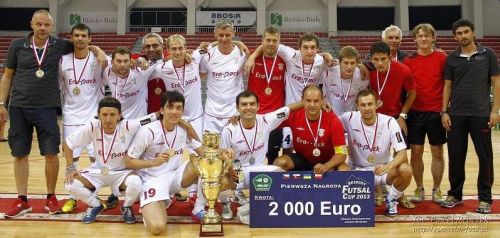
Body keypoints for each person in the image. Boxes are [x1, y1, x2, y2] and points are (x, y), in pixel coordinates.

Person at [0, 10, 106, 218]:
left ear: (52, 26)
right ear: (32, 24)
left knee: (51, 154)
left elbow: (83, 44)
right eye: (39, 24)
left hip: (47, 107)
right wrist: (2, 103)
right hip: (19, 107)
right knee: (20, 153)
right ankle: (22, 200)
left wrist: (98, 49)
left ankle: (51, 197)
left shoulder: (60, 45)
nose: (42, 28)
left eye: (46, 25)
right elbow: (7, 76)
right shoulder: (17, 46)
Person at [125, 91, 232, 235]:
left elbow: (203, 151)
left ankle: (198, 208)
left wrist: (223, 152)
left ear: (182, 111)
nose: (174, 111)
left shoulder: (182, 129)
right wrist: (153, 162)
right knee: (157, 229)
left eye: (178, 108)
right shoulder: (148, 131)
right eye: (170, 107)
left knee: (204, 161)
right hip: (152, 180)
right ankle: (156, 204)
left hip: (176, 177)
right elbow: (129, 162)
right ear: (162, 110)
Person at [63, 97, 159, 224]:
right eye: (104, 114)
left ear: (119, 115)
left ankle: (126, 206)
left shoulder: (129, 126)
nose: (108, 119)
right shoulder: (92, 126)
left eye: (112, 114)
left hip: (122, 173)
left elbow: (156, 116)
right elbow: (68, 143)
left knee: (136, 183)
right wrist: (71, 167)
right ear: (98, 115)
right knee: (70, 184)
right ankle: (96, 205)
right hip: (98, 171)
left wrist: (184, 123)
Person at [441, 19, 499, 214]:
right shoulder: (451, 58)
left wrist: (495, 110)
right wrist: (444, 111)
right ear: (454, 37)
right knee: (456, 157)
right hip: (456, 115)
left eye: (466, 32)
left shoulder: (488, 54)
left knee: (485, 157)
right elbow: (447, 86)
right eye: (459, 33)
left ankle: (485, 198)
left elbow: (496, 83)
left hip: (481, 114)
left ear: (473, 33)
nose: (463, 36)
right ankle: (455, 195)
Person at [339, 89, 413, 217]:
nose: (367, 108)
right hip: (358, 171)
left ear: (377, 104)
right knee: (341, 170)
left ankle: (391, 199)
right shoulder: (348, 118)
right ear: (357, 105)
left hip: (383, 170)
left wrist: (388, 166)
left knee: (406, 169)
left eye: (370, 104)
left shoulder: (390, 122)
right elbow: (329, 123)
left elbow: (402, 153)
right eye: (363, 105)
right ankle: (355, 201)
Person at [58, 23, 107, 213]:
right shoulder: (63, 61)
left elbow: (112, 63)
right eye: (76, 35)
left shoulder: (97, 58)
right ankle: (73, 197)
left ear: (89, 39)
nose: (79, 38)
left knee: (98, 159)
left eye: (83, 36)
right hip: (71, 117)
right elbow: (59, 86)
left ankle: (96, 196)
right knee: (73, 161)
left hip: (93, 117)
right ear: (71, 38)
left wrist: (99, 51)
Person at [402, 23, 447, 204]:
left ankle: (436, 189)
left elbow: (448, 84)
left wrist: (445, 110)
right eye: (420, 36)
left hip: (436, 111)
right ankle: (419, 188)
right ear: (415, 39)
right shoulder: (408, 61)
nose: (423, 39)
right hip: (415, 113)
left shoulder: (442, 58)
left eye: (427, 36)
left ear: (433, 38)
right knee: (416, 151)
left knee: (437, 151)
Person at [273, 85, 349, 173]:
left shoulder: (333, 120)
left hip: (327, 161)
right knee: (280, 163)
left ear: (322, 101)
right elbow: (275, 117)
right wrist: (297, 105)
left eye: (316, 101)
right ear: (302, 101)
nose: (312, 105)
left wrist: (326, 166)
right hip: (302, 160)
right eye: (308, 101)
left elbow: (342, 154)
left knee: (344, 169)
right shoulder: (294, 115)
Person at [246, 26, 291, 165]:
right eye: (268, 40)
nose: (271, 43)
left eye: (274, 40)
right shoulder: (251, 57)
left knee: (273, 157)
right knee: (250, 157)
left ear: (279, 42)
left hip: (276, 118)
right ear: (262, 40)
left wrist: (326, 55)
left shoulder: (285, 60)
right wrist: (253, 55)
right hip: (255, 118)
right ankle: (244, 183)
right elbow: (230, 43)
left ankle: (276, 185)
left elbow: (307, 54)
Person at [200, 19, 246, 134]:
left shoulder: (242, 54)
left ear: (233, 34)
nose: (224, 39)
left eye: (228, 35)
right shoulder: (208, 55)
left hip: (234, 113)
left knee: (234, 150)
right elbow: (200, 76)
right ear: (215, 35)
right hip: (212, 114)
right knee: (211, 150)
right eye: (220, 35)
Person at [102, 46, 156, 119]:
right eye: (119, 61)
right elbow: (91, 49)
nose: (122, 65)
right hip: (117, 122)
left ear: (131, 61)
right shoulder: (106, 71)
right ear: (112, 62)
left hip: (139, 123)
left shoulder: (142, 71)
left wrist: (141, 59)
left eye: (126, 61)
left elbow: (158, 60)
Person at [322, 46, 369, 115]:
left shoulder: (361, 76)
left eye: (352, 63)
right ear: (340, 63)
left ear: (357, 63)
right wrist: (324, 54)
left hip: (351, 118)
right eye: (346, 63)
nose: (349, 67)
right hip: (330, 116)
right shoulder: (329, 72)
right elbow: (311, 58)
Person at [142, 33, 167, 114]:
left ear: (162, 46)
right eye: (148, 46)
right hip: (147, 115)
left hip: (169, 114)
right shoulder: (140, 66)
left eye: (155, 45)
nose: (151, 49)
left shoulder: (172, 62)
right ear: (144, 49)